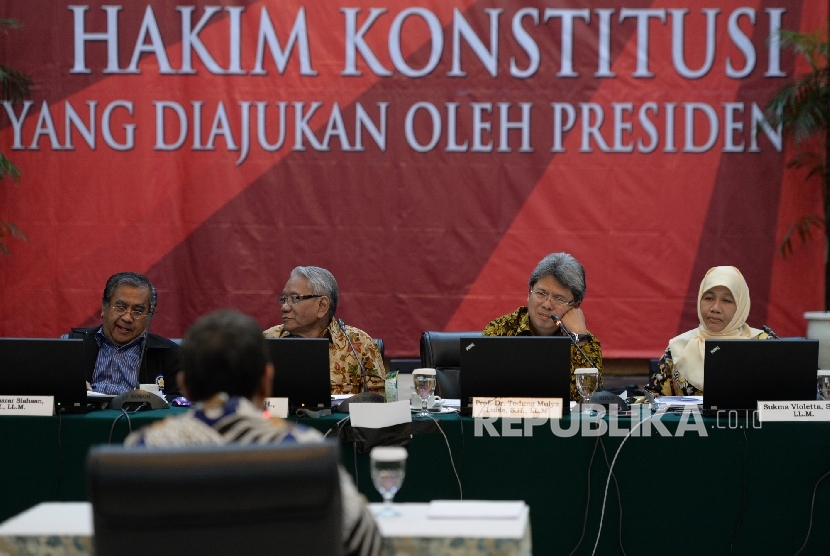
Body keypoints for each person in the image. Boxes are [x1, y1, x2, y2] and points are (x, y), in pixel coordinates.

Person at [125, 309, 381, 556]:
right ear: (266, 381)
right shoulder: (305, 450)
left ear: (184, 386)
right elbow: (366, 543)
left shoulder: (145, 448)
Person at [483, 252, 603, 401]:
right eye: (541, 293)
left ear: (575, 306)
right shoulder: (501, 330)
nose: (546, 305)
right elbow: (485, 391)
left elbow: (588, 398)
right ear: (529, 292)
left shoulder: (585, 341)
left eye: (559, 299)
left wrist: (579, 337)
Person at [648, 266, 770, 396]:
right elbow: (654, 400)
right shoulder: (679, 346)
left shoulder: (765, 346)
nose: (715, 308)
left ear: (741, 305)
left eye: (726, 300)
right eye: (709, 298)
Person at [264, 266, 386, 395]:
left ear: (322, 305)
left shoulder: (360, 344)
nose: (284, 307)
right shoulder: (266, 340)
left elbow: (378, 403)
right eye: (284, 299)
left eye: (294, 298)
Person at [68, 272, 181, 398]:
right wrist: (67, 386)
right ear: (104, 308)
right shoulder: (73, 346)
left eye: (138, 311)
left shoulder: (171, 355)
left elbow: (181, 402)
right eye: (120, 307)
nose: (127, 318)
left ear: (150, 316)